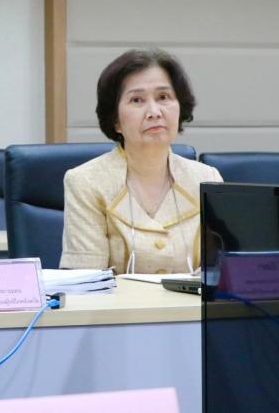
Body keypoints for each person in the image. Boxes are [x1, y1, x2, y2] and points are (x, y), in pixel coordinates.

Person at [60, 49, 222, 274]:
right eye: (137, 100)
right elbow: (86, 283)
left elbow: (224, 275)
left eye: (163, 97)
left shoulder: (206, 179)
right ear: (115, 120)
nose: (154, 112)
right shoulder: (86, 182)